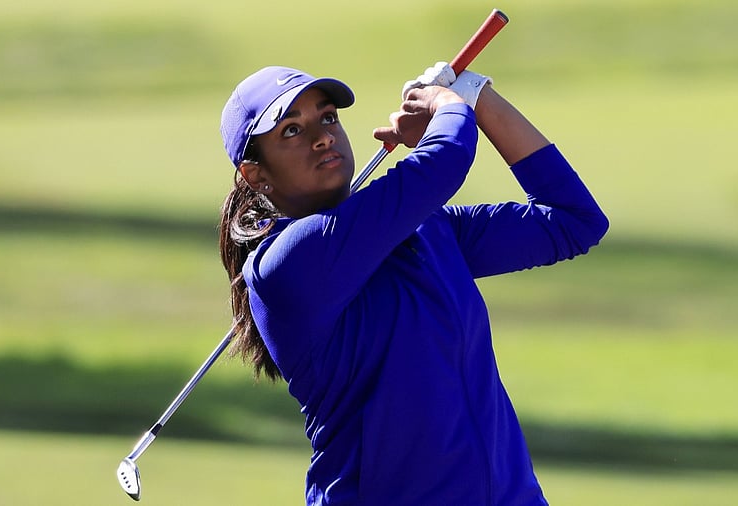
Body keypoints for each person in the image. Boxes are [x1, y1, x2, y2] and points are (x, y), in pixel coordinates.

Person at [218, 63, 608, 506]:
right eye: (291, 130)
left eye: (327, 118)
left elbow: (574, 221)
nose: (322, 136)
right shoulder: (286, 264)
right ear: (255, 175)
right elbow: (443, 162)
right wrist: (445, 105)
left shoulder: (426, 230)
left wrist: (478, 96)